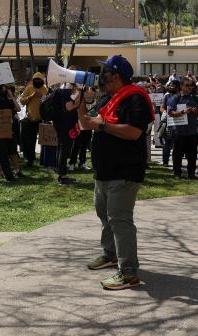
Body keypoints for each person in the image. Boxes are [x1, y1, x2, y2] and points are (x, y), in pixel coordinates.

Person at [78, 55, 153, 290]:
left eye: (105, 72)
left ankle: (129, 272)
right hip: (104, 171)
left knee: (120, 220)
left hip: (125, 170)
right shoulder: (107, 99)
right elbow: (85, 123)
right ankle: (111, 254)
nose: (102, 76)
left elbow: (133, 132)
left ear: (117, 75)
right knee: (105, 215)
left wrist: (101, 125)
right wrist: (78, 101)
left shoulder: (135, 98)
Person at [167, 77, 198, 180]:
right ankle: (177, 173)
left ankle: (191, 174)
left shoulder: (195, 98)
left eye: (191, 85)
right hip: (179, 131)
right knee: (178, 153)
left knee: (192, 154)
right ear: (181, 86)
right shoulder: (176, 98)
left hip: (192, 131)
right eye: (187, 85)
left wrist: (197, 112)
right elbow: (170, 113)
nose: (190, 87)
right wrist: (183, 112)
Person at [19, 72, 48, 167]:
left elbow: (48, 102)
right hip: (30, 119)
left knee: (44, 140)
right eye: (36, 80)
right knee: (30, 141)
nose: (38, 81)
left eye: (39, 80)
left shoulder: (45, 89)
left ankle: (44, 160)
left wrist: (41, 96)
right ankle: (30, 159)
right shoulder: (29, 88)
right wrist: (31, 96)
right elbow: (22, 100)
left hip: (42, 119)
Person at [69, 86, 95, 170]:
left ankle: (82, 162)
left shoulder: (91, 95)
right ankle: (72, 163)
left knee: (85, 143)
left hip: (88, 123)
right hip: (79, 122)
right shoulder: (77, 92)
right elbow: (71, 102)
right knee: (76, 143)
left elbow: (94, 108)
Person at [159, 80, 179, 166]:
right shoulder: (166, 96)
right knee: (166, 143)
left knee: (177, 144)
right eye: (170, 85)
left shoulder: (180, 96)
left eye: (173, 85)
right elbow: (162, 107)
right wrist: (166, 113)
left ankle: (176, 162)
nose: (171, 87)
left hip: (179, 123)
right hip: (168, 122)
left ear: (178, 87)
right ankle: (165, 161)